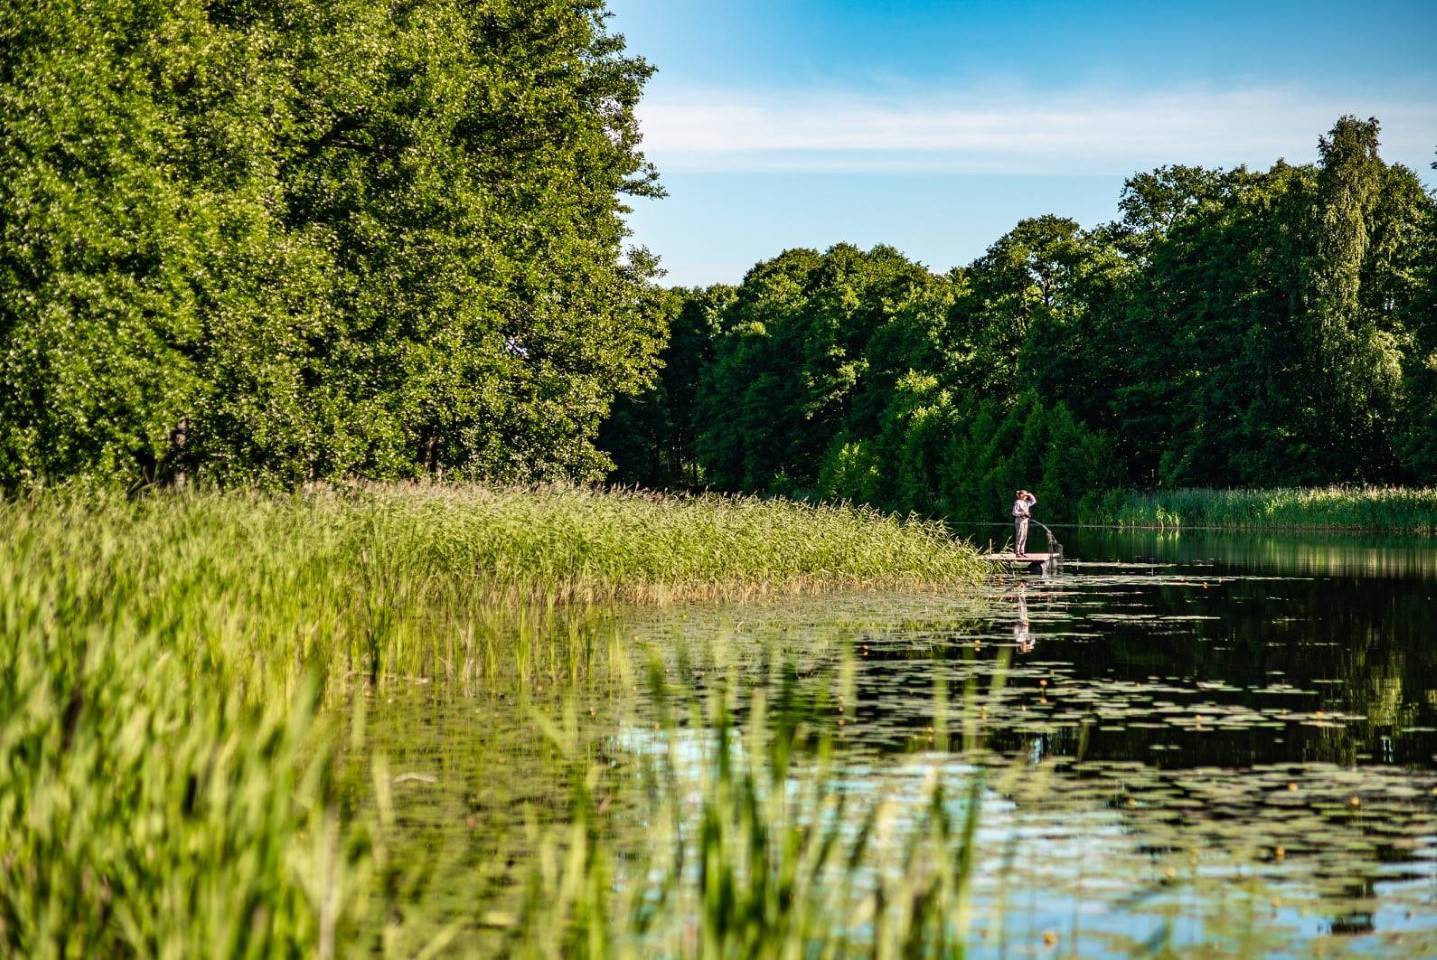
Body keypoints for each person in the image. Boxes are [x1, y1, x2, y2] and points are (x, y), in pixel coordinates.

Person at [1012, 489, 1037, 556]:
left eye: (1025, 495)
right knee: (1019, 536)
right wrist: (1022, 513)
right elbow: (1014, 513)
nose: (1025, 496)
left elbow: (1034, 501)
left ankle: (1022, 551)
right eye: (1024, 494)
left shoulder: (1026, 502)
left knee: (1024, 536)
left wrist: (1029, 494)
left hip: (1026, 521)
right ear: (1020, 495)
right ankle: (1017, 552)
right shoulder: (1017, 502)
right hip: (1019, 521)